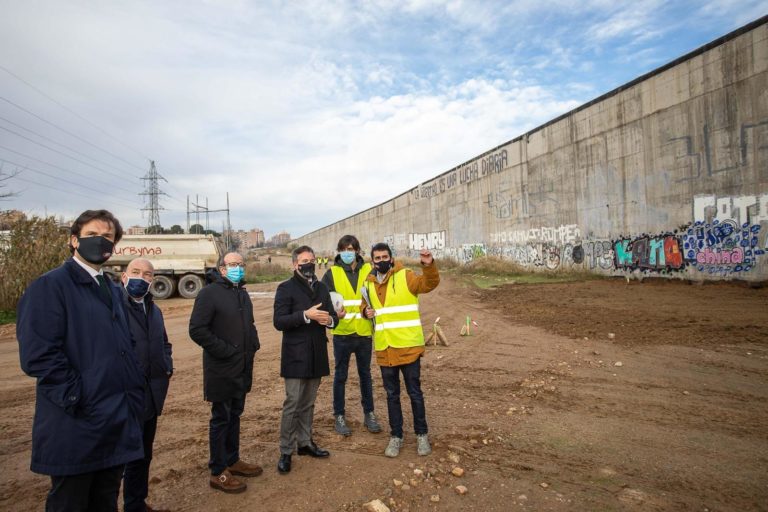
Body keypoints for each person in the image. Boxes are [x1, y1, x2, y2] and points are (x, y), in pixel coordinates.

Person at [17, 209, 145, 511]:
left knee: (104, 500)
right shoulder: (50, 287)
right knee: (71, 502)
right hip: (76, 422)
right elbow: (39, 356)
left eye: (108, 237)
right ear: (74, 240)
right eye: (91, 235)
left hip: (114, 420)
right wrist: (78, 397)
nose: (99, 241)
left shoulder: (112, 288)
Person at [189, 252, 262, 494]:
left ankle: (233, 460)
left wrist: (253, 345)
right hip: (221, 368)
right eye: (233, 265)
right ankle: (218, 470)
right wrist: (225, 350)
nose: (238, 269)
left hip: (241, 367)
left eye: (241, 265)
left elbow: (248, 324)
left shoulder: (241, 292)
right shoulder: (209, 294)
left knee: (235, 415)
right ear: (221, 269)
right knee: (221, 418)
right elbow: (197, 330)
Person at [362, 243, 439, 458]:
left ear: (391, 257)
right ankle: (396, 436)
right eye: (377, 258)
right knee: (391, 395)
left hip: (408, 347)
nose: (381, 261)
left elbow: (429, 283)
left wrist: (428, 264)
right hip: (385, 348)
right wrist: (364, 312)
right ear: (372, 261)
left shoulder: (406, 276)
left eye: (385, 256)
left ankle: (421, 435)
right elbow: (365, 307)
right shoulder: (368, 283)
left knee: (414, 393)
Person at [273, 245, 338, 474]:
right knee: (293, 403)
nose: (309, 263)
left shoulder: (322, 287)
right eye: (304, 260)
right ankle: (285, 450)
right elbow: (279, 321)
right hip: (295, 355)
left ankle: (305, 442)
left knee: (309, 403)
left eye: (311, 259)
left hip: (317, 353)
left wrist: (329, 321)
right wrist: (305, 316)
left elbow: (333, 319)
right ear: (295, 265)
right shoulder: (285, 288)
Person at [121, 258, 173, 512]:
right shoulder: (114, 309)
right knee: (118, 459)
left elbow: (164, 343)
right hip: (123, 397)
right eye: (136, 272)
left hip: (151, 395)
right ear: (123, 276)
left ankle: (136, 503)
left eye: (148, 274)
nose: (142, 278)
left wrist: (167, 364)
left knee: (143, 455)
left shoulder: (154, 310)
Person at [321, 235, 382, 436]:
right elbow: (323, 298)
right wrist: (332, 313)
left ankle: (369, 414)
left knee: (366, 376)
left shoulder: (368, 270)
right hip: (343, 334)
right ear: (339, 251)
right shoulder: (332, 273)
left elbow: (377, 294)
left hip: (364, 333)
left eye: (351, 249)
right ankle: (339, 415)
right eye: (344, 249)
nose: (348, 252)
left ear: (357, 250)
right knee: (341, 376)